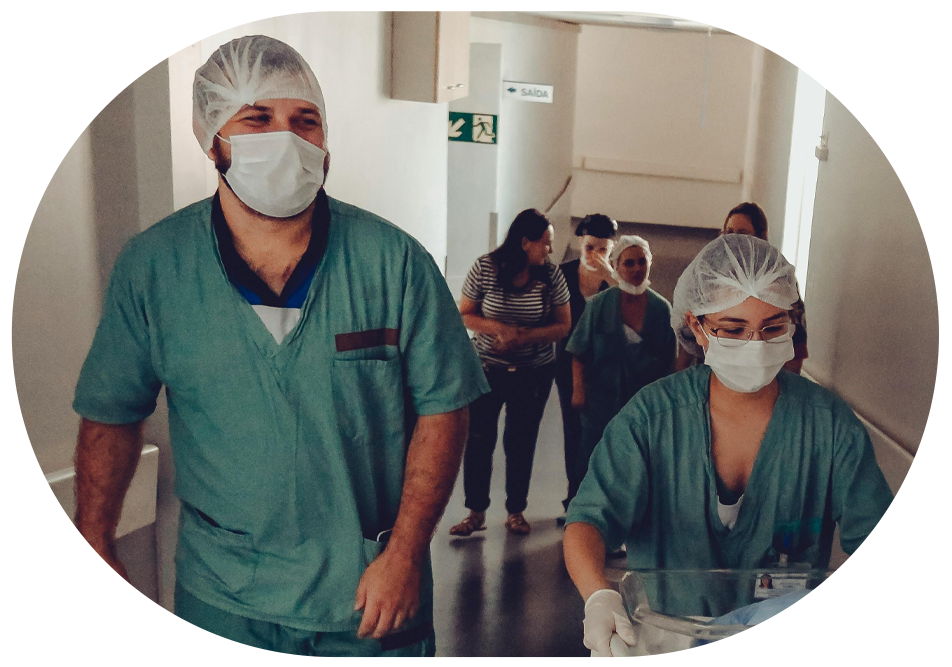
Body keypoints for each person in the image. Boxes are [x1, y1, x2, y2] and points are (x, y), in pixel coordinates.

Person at [72, 35, 489, 658]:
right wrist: (94, 547)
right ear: (212, 139)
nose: (286, 139)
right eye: (258, 119)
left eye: (305, 120)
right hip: (226, 596)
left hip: (368, 590)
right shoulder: (156, 268)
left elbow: (444, 407)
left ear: (324, 143)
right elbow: (111, 413)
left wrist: (405, 553)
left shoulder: (392, 262)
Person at [563, 234, 912, 657]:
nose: (755, 345)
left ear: (792, 321)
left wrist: (898, 616)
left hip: (783, 645)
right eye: (733, 329)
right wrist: (599, 596)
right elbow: (588, 522)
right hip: (671, 639)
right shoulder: (653, 419)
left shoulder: (828, 426)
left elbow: (881, 542)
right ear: (696, 325)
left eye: (772, 327)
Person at [449, 209, 572, 537]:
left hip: (534, 372)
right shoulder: (485, 268)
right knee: (479, 439)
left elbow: (563, 325)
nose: (550, 250)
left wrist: (523, 336)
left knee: (521, 441)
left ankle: (516, 511)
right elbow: (464, 315)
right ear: (524, 242)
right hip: (486, 369)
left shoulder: (551, 276)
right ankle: (475, 512)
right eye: (545, 243)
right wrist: (500, 329)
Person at [564, 235, 676, 509]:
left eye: (642, 262)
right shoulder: (599, 305)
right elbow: (578, 351)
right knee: (592, 455)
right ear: (617, 266)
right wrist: (579, 390)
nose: (637, 269)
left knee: (635, 458)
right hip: (601, 397)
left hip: (642, 400)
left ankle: (627, 517)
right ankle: (582, 512)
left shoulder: (662, 310)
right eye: (629, 263)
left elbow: (669, 362)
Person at [675, 202, 809, 374]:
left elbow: (796, 342)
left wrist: (787, 387)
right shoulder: (707, 274)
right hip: (713, 375)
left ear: (761, 237)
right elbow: (689, 334)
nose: (733, 239)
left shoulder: (778, 278)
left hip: (764, 375)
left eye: (742, 233)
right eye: (729, 232)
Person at [555, 214, 617, 520]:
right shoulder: (564, 274)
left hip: (605, 366)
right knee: (573, 431)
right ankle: (573, 497)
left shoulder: (615, 280)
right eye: (591, 247)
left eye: (604, 250)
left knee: (603, 434)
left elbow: (633, 307)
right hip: (566, 363)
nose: (596, 255)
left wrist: (612, 277)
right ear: (581, 241)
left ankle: (597, 502)